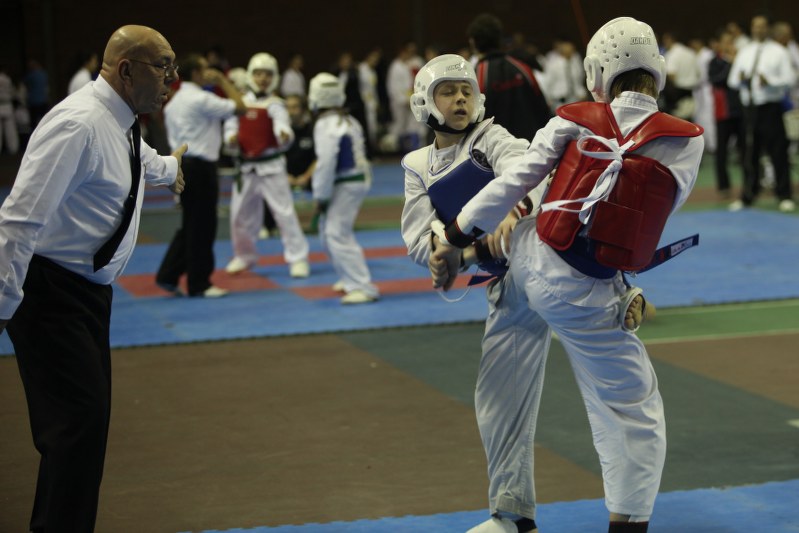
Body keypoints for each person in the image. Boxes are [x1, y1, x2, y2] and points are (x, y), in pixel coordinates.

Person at [429, 17, 703, 533]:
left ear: (598, 70)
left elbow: (514, 183)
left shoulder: (572, 118)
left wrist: (456, 236)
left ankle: (509, 515)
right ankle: (629, 523)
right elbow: (645, 217)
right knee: (631, 410)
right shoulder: (687, 141)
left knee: (506, 385)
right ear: (658, 72)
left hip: (528, 264)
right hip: (586, 290)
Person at [0, 25, 185, 532]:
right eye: (164, 66)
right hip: (47, 291)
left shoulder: (121, 119)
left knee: (85, 425)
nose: (173, 78)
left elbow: (134, 158)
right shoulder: (77, 124)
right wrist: (0, 303)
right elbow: (19, 218)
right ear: (127, 69)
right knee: (74, 428)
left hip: (85, 295)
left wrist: (170, 169)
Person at [155, 53, 246, 298]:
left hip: (183, 166)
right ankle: (199, 283)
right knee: (203, 227)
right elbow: (240, 107)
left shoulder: (173, 102)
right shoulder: (202, 99)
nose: (209, 73)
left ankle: (168, 275)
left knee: (191, 224)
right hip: (201, 168)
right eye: (205, 69)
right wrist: (223, 82)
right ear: (196, 73)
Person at [223, 52, 310, 277]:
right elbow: (231, 126)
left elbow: (284, 127)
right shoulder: (239, 101)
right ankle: (244, 255)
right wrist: (230, 138)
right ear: (251, 75)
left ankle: (298, 258)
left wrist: (284, 134)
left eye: (268, 74)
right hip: (246, 167)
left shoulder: (276, 104)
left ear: (275, 77)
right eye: (258, 73)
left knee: (284, 213)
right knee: (239, 215)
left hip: (271, 166)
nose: (263, 78)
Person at [308, 73, 379, 304]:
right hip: (354, 180)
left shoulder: (326, 124)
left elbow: (327, 162)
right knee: (327, 230)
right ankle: (349, 277)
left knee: (337, 233)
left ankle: (362, 286)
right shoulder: (348, 120)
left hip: (346, 183)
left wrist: (320, 195)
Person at [727, 15, 796, 212]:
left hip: (770, 108)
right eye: (755, 26)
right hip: (750, 109)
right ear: (752, 28)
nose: (758, 30)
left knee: (778, 152)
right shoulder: (745, 52)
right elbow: (733, 81)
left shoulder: (779, 52)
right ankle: (748, 195)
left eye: (762, 26)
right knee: (750, 154)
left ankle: (784, 195)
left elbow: (790, 79)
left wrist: (771, 82)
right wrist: (740, 79)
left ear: (767, 29)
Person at [467, 13, 552, 142]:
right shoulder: (523, 68)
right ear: (499, 39)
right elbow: (543, 109)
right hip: (532, 147)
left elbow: (473, 120)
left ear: (473, 42)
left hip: (496, 152)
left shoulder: (476, 76)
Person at [709, 31, 746, 198]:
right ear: (720, 44)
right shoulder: (715, 62)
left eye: (732, 42)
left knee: (745, 149)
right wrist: (731, 63)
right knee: (722, 151)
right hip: (723, 113)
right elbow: (717, 81)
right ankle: (723, 186)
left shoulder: (742, 60)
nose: (729, 45)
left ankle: (750, 183)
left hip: (740, 111)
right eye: (726, 42)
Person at [0, 64, 19, 155]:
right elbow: (12, 92)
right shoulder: (7, 79)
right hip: (7, 105)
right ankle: (13, 148)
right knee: (10, 129)